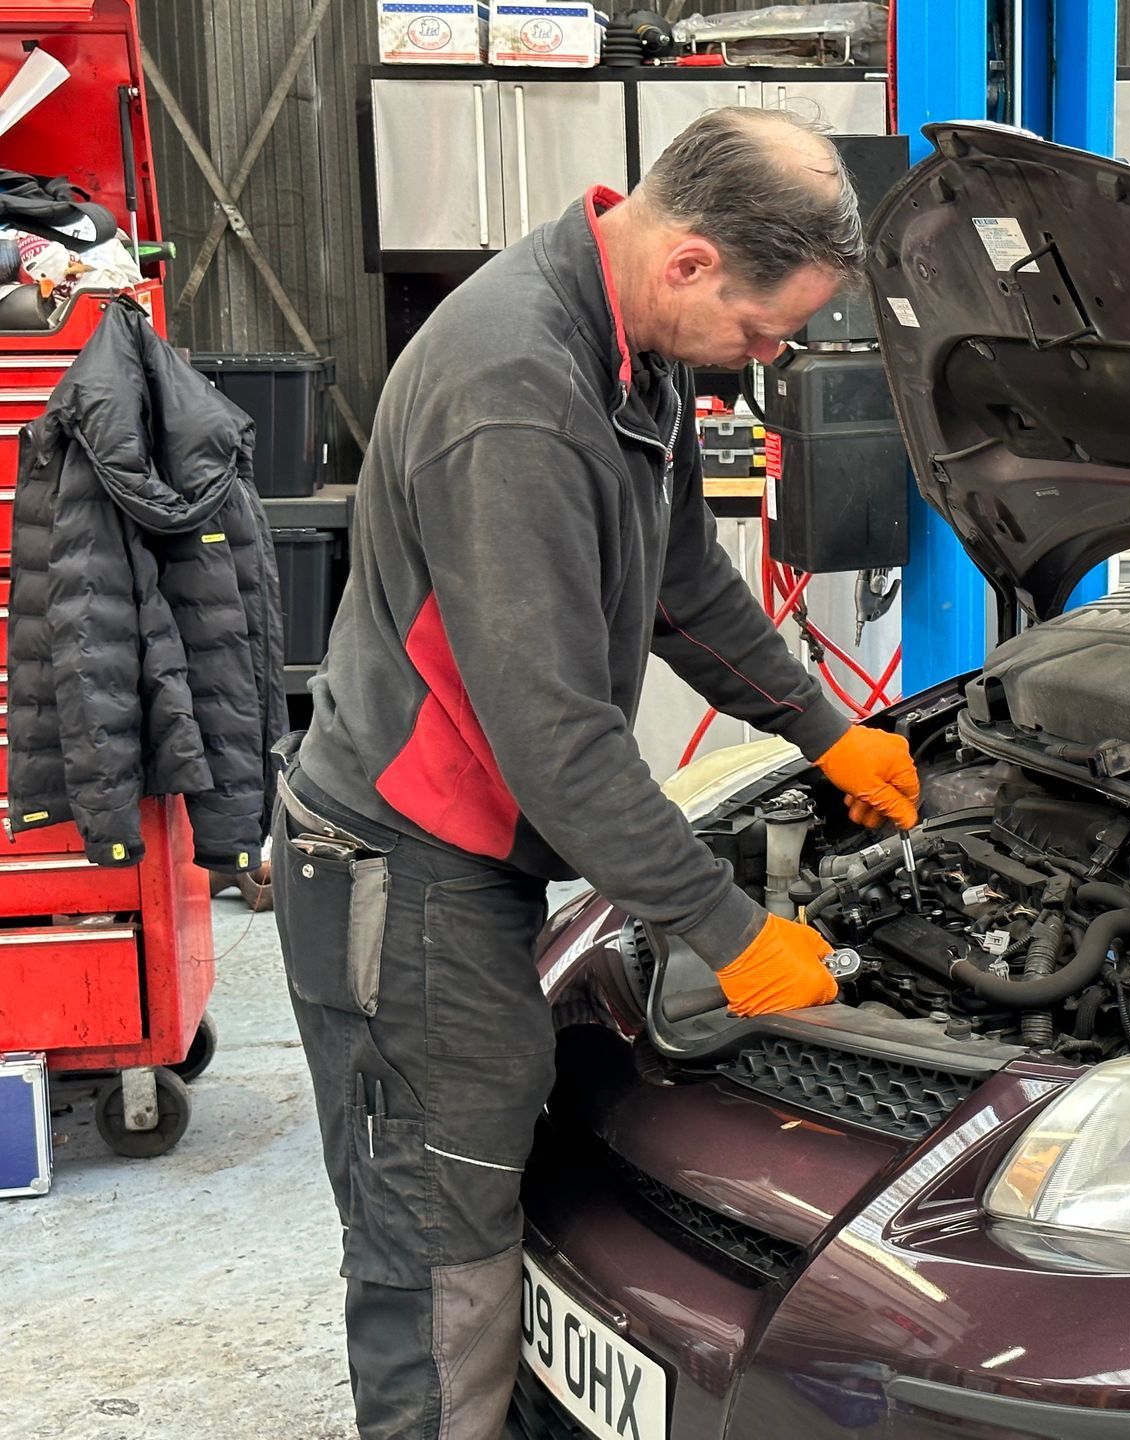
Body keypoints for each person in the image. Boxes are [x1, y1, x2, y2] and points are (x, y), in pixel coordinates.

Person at [272, 107, 921, 1439]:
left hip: (466, 851)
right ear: (690, 261)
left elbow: (683, 581)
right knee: (435, 1250)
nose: (769, 359)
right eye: (764, 331)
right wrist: (730, 931)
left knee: (480, 1189)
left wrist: (824, 728)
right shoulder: (518, 394)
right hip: (406, 869)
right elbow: (558, 741)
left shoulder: (631, 345)